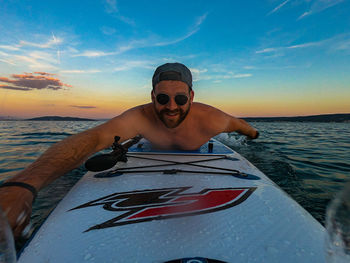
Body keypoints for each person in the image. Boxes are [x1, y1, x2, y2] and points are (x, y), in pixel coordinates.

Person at [0, 62, 259, 240]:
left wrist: (255, 136)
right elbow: (92, 138)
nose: (171, 106)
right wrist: (22, 184)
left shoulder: (211, 119)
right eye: (162, 98)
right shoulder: (139, 118)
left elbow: (243, 127)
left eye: (180, 99)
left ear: (191, 96)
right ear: (152, 96)